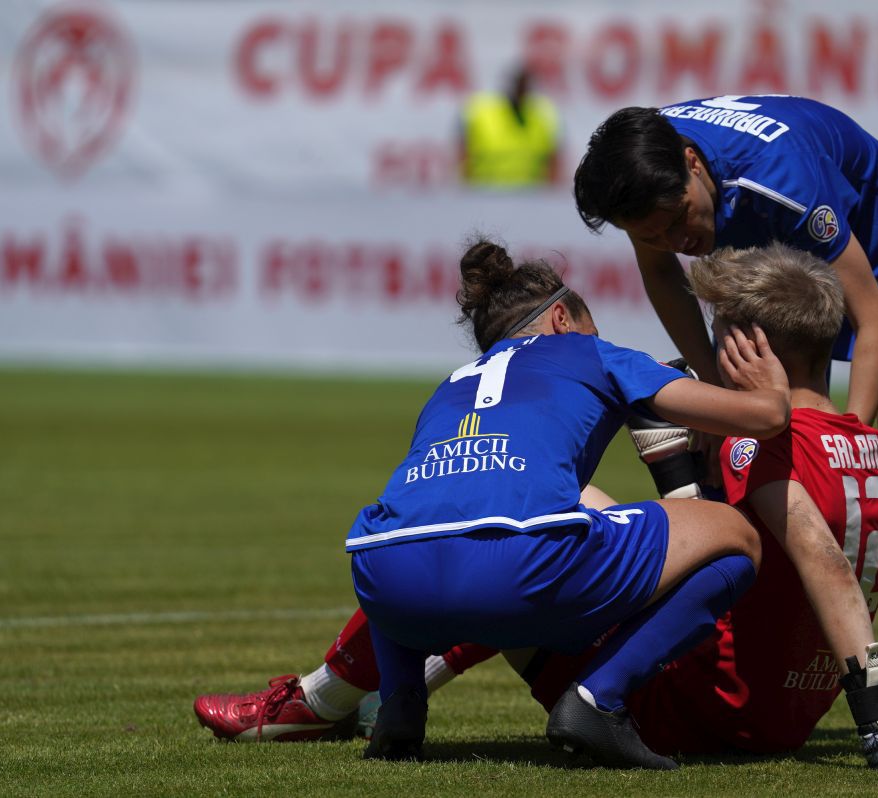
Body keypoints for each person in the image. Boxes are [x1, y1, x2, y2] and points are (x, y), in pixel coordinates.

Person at [194, 244, 878, 772]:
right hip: (773, 702)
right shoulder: (865, 443)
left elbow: (799, 538)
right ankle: (563, 698)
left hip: (394, 575)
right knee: (559, 534)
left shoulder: (453, 380)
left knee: (478, 527)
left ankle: (364, 701)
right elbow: (778, 480)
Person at [571, 95, 878, 751]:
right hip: (767, 267)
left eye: (678, 219)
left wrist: (847, 442)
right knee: (731, 450)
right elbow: (664, 276)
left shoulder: (780, 173)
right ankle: (737, 663)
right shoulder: (639, 176)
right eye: (649, 232)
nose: (672, 241)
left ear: (691, 163)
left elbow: (872, 316)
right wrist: (714, 397)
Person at [334, 238, 792, 768]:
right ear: (560, 318)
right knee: (737, 537)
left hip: (385, 581)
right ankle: (598, 701)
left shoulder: (451, 384)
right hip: (522, 570)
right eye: (590, 324)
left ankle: (400, 705)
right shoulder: (589, 352)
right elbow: (760, 419)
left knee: (421, 528)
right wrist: (774, 393)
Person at [459, 67, 560, 187]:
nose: (521, 91)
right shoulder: (481, 113)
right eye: (519, 86)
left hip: (530, 194)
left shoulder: (543, 115)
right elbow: (464, 155)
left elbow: (553, 161)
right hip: (486, 191)